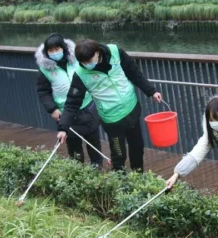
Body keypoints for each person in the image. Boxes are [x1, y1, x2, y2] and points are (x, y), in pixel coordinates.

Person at [57, 39, 162, 173]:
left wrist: (151, 91)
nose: (87, 65)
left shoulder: (115, 52)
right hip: (112, 119)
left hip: (132, 109)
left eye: (89, 61)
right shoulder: (81, 74)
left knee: (137, 148)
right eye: (83, 62)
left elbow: (133, 72)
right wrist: (63, 127)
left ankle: (139, 178)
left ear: (97, 52)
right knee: (119, 154)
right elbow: (72, 102)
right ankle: (120, 181)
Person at [36, 34, 104, 168]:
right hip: (65, 112)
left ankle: (97, 166)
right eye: (51, 51)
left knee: (93, 139)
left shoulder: (77, 60)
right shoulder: (44, 70)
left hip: (87, 107)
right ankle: (77, 169)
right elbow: (43, 92)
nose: (55, 53)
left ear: (64, 48)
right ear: (46, 52)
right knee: (73, 144)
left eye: (57, 49)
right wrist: (52, 109)